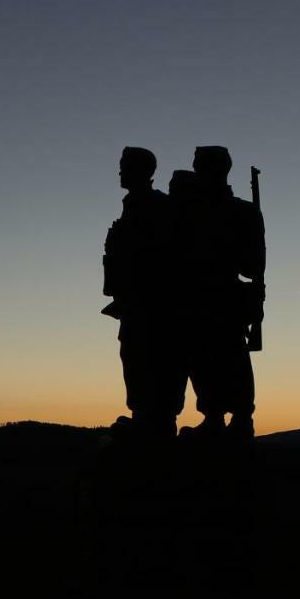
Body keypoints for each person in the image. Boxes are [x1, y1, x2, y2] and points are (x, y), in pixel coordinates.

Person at [102, 147, 186, 441]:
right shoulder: (135, 206)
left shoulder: (157, 207)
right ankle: (144, 419)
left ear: (143, 171)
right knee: (135, 360)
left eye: (125, 166)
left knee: (155, 364)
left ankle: (157, 426)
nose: (120, 171)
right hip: (135, 306)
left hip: (156, 308)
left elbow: (163, 258)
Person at [181, 146, 265, 439]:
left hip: (224, 297)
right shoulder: (191, 209)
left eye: (199, 165)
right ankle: (214, 418)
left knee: (233, 358)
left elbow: (254, 265)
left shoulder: (240, 211)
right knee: (200, 359)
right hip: (196, 296)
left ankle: (242, 420)